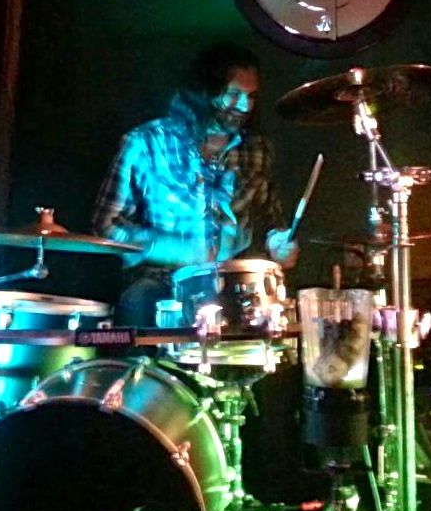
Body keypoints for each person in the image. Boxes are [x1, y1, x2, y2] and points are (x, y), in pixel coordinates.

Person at [92, 42, 300, 326]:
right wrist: (169, 248)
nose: (245, 106)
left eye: (251, 97)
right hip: (164, 283)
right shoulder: (146, 143)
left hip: (234, 287)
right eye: (234, 94)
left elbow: (271, 221)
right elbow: (106, 225)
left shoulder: (258, 150)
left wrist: (278, 243)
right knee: (139, 299)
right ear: (204, 91)